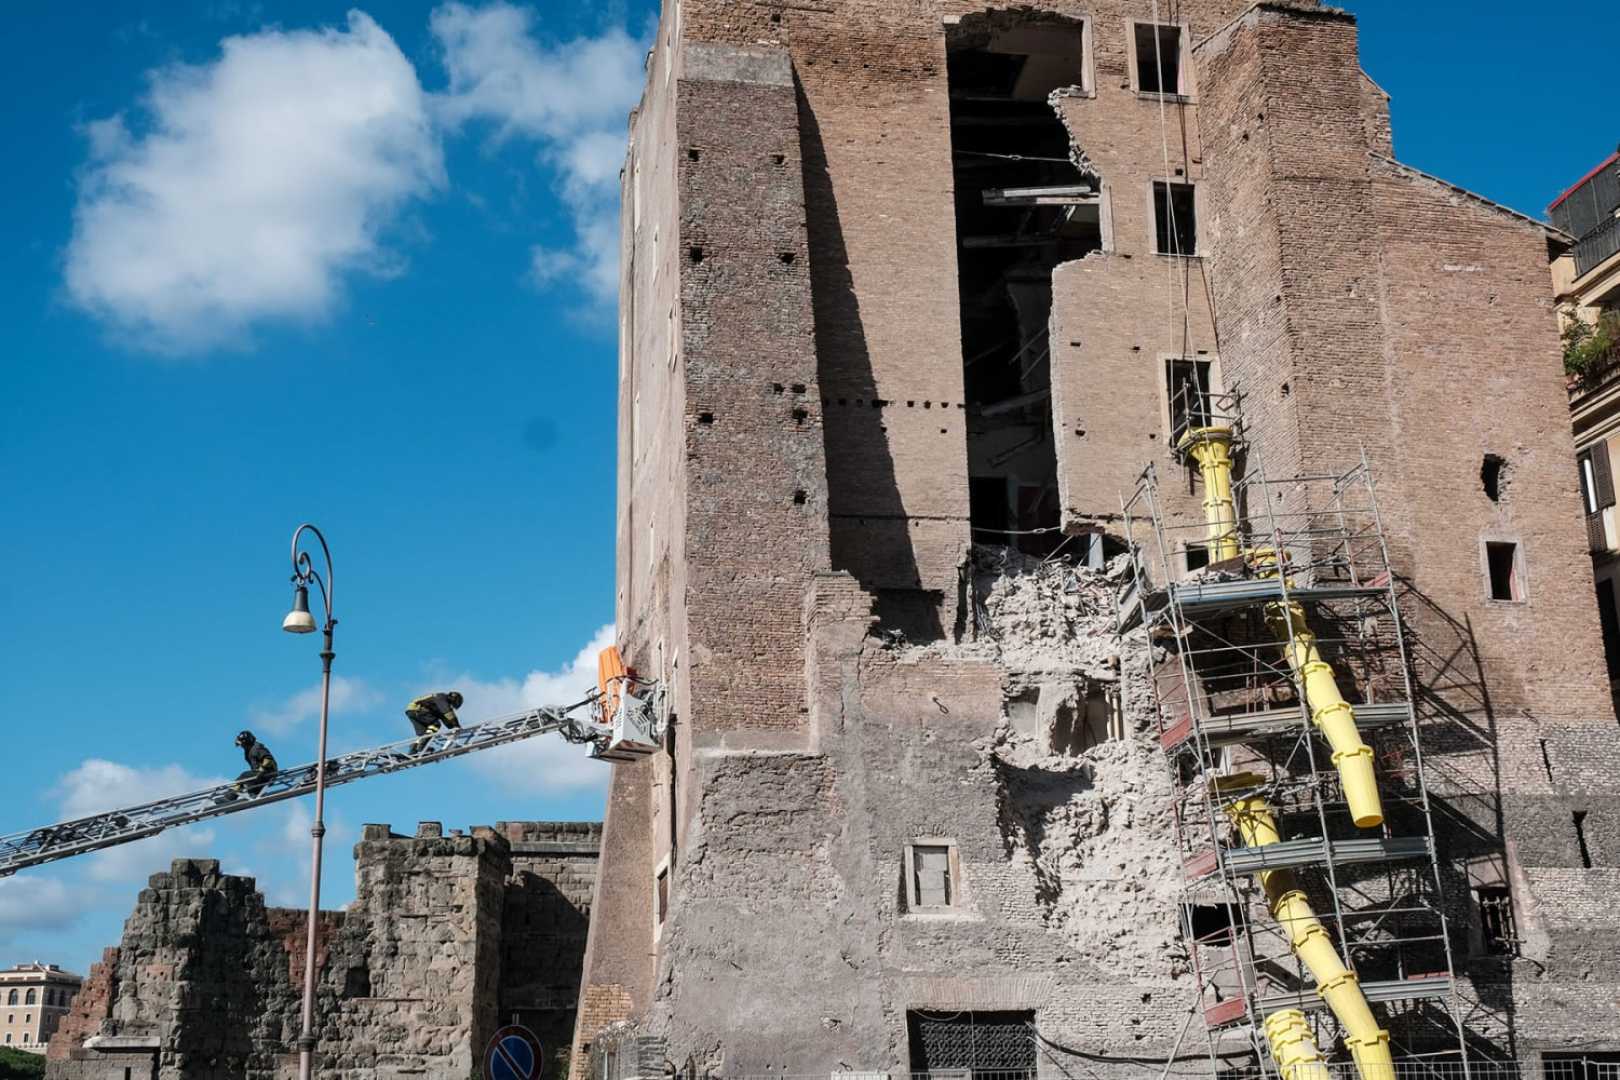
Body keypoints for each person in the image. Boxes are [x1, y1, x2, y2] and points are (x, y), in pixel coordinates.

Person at [230, 731, 278, 799]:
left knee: (244, 775)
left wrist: (262, 769)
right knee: (248, 780)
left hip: (268, 773)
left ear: (246, 742)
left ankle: (230, 795)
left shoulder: (257, 748)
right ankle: (251, 793)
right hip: (260, 776)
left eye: (242, 744)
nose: (241, 746)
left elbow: (268, 759)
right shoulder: (248, 750)